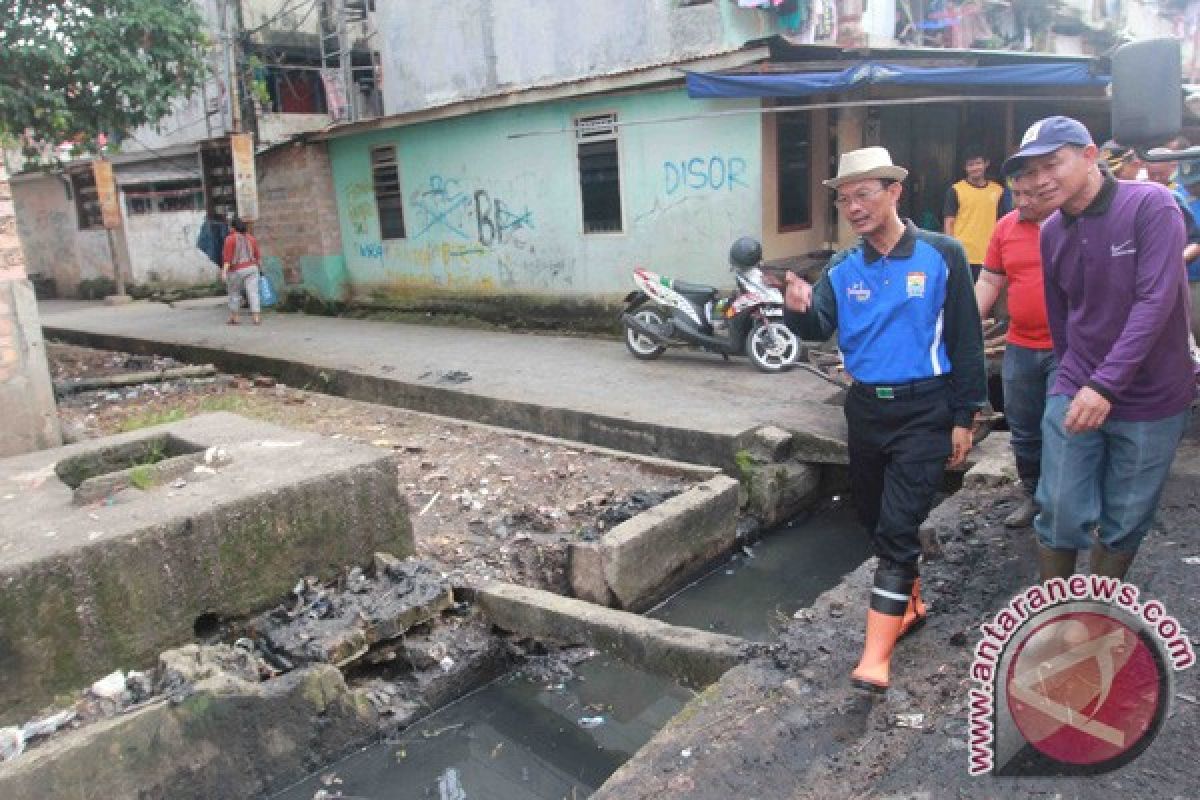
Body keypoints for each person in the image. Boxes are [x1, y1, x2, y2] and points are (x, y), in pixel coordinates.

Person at [782, 146, 987, 694]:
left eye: (863, 194)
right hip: (866, 410)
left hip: (926, 408)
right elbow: (817, 326)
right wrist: (798, 306)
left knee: (897, 530)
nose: (853, 207)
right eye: (845, 199)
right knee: (873, 520)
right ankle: (910, 602)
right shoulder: (843, 267)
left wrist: (964, 417)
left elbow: (966, 340)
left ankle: (874, 658)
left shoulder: (943, 254)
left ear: (895, 191)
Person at [1002, 116, 1195, 581]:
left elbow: (1156, 300)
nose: (1039, 180)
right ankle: (1057, 610)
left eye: (1052, 163)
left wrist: (1105, 384)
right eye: (1027, 171)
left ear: (1089, 155)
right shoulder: (1051, 231)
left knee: (1127, 515)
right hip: (1079, 382)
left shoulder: (1152, 204)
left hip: (1152, 395)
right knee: (1059, 504)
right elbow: (1063, 315)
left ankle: (1100, 608)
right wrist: (1072, 376)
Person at [974, 171, 1057, 529]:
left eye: (1031, 194)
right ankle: (1035, 495)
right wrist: (964, 323)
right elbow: (990, 280)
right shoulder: (1006, 227)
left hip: (1068, 347)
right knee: (1024, 426)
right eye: (1016, 194)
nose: (1021, 202)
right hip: (1020, 344)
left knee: (1062, 426)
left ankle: (1065, 501)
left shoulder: (1074, 224)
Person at [943, 147, 1006, 279]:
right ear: (965, 168)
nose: (975, 168)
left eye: (978, 163)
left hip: (989, 255)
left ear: (986, 163)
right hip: (963, 255)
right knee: (963, 298)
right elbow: (949, 222)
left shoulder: (998, 191)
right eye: (970, 165)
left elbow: (1002, 223)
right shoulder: (956, 190)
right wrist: (950, 252)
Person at [222, 217, 262, 326]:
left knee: (234, 293)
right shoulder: (251, 238)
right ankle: (256, 318)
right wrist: (261, 270)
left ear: (233, 227)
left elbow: (227, 259)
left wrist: (224, 272)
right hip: (253, 269)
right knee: (253, 293)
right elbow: (258, 256)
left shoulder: (230, 239)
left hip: (236, 270)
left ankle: (235, 318)